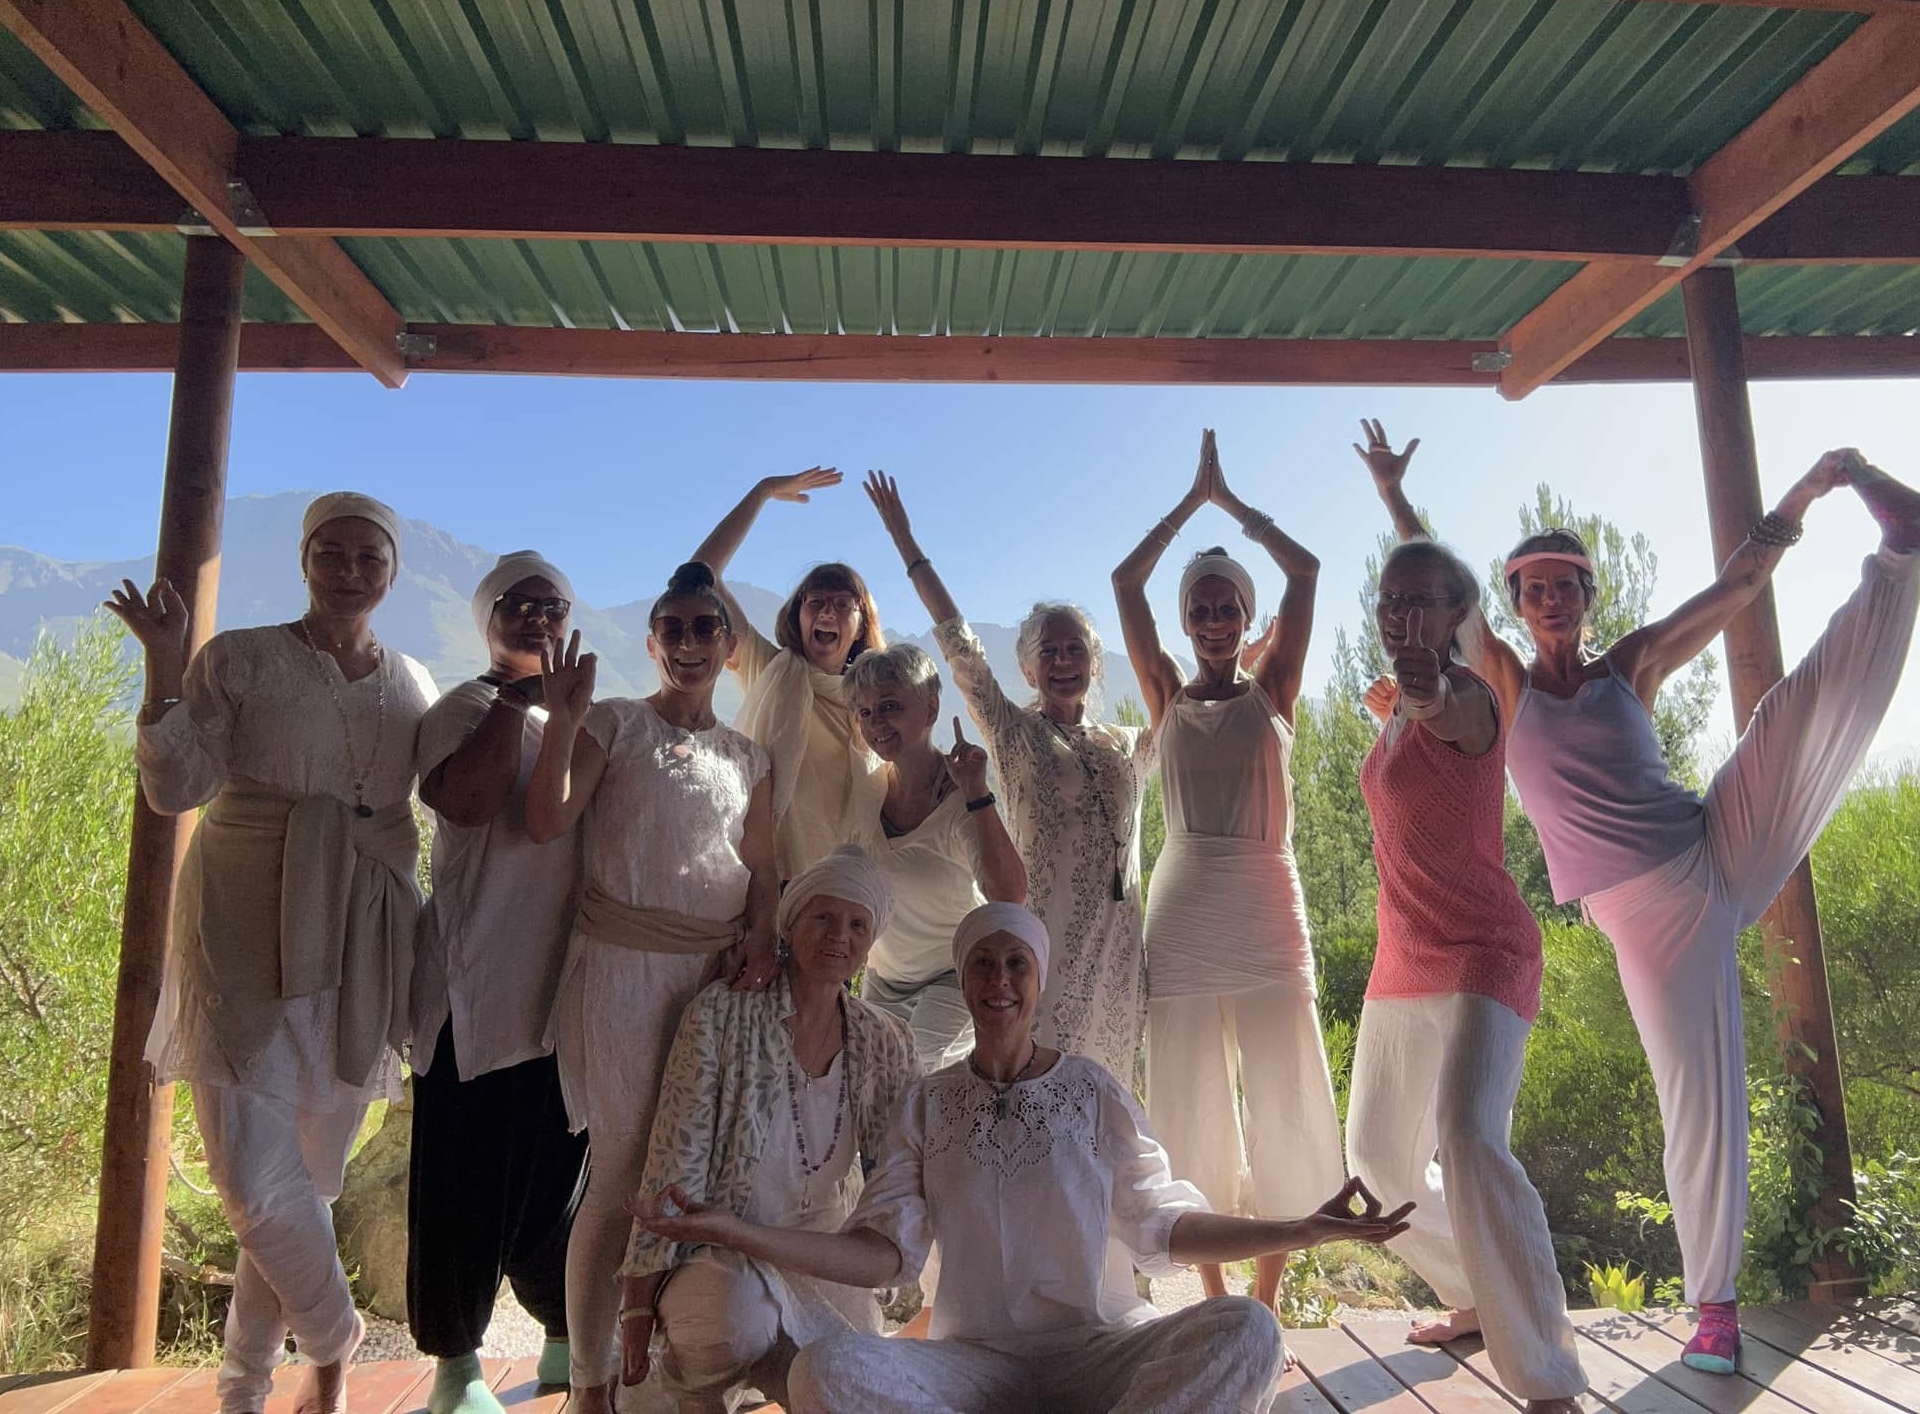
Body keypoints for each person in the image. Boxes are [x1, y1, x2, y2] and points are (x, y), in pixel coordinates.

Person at [1356, 418, 1920, 1374]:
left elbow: (1738, 587)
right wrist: (1394, 499)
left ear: (1588, 597)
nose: (1550, 598)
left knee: (1788, 714)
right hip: (1654, 916)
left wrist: (1807, 491)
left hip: (1710, 841)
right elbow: (1440, 591)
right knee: (1697, 1096)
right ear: (1513, 605)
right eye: (1533, 587)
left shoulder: (1630, 664)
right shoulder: (1504, 682)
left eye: (1566, 584)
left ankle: (1901, 551)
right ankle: (1716, 1303)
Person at [629, 902, 1417, 1414]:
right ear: (963, 977)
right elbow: (880, 1258)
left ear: (1038, 981)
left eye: (1016, 964)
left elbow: (1166, 1225)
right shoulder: (928, 1102)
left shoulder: (1090, 1090)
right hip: (973, 1368)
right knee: (822, 1372)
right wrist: (735, 1232)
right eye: (982, 962)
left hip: (1099, 1352)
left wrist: (1302, 1230)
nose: (999, 980)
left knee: (1248, 1329)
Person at [105, 492, 438, 1414]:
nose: (349, 570)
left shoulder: (413, 682)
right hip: (242, 920)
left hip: (361, 932)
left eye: (369, 556)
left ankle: (245, 1389)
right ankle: (334, 1340)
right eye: (331, 551)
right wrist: (163, 666)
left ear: (393, 570)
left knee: (311, 1178)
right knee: (253, 1181)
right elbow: (176, 787)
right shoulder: (239, 658)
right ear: (303, 559)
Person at [525, 561, 780, 1414]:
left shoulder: (750, 756)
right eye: (673, 628)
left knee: (696, 1173)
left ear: (728, 644)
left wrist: (761, 939)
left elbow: (765, 869)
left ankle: (680, 1371)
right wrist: (562, 722)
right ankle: (590, 1385)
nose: (689, 643)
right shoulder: (615, 723)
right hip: (622, 974)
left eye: (705, 628)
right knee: (622, 1174)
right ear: (651, 643)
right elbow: (547, 818)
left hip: (711, 984)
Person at [1346, 541, 1585, 1414]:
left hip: (1485, 950)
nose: (1398, 614)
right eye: (1388, 599)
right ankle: (1477, 1291)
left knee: (1472, 1138)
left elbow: (1450, 714)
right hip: (1405, 956)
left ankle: (1548, 1376)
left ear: (1457, 614)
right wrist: (1401, 706)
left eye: (1419, 600)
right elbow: (1415, 728)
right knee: (1376, 1160)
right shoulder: (1396, 710)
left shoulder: (1472, 696)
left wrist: (1424, 694)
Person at [1111, 429, 1344, 1312]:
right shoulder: (1164, 694)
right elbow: (1125, 584)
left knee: (1285, 1095)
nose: (1213, 621)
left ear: (1247, 618)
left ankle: (1270, 1297)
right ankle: (1214, 1296)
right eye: (1201, 609)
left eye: (1227, 608)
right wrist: (1187, 505)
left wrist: (1233, 505)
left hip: (1265, 903)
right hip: (1183, 915)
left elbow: (1307, 570)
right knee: (1193, 1100)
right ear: (1186, 621)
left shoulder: (1273, 689)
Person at [864, 471, 1150, 1086]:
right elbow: (958, 643)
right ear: (1027, 667)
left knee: (1109, 1089)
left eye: (1075, 649)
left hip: (1118, 947)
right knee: (1039, 1084)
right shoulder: (1014, 732)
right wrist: (906, 543)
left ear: (1094, 662)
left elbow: (1181, 714)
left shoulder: (1126, 743)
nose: (1063, 661)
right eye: (1049, 651)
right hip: (1042, 940)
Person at [615, 847, 919, 1413]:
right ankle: (703, 1391)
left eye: (858, 925)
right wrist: (636, 1306)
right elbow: (673, 1161)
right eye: (823, 917)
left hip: (820, 1255)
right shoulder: (722, 1014)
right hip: (718, 1251)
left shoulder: (887, 1041)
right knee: (735, 1322)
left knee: (852, 1383)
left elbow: (902, 1174)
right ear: (790, 923)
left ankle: (778, 1375)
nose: (839, 936)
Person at [407, 552, 590, 1414]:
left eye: (552, 605)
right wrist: (520, 702)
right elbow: (470, 804)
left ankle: (561, 1335)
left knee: (558, 1182)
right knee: (462, 1187)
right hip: (472, 991)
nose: (537, 617)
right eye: (518, 604)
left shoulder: (579, 714)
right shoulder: (464, 707)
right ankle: (456, 1367)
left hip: (557, 987)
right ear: (487, 618)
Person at [691, 467, 888, 880]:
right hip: (762, 878)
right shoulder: (770, 668)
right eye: (815, 602)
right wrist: (761, 491)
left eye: (843, 604)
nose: (827, 612)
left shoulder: (875, 705)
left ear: (861, 626)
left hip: (841, 887)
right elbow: (700, 575)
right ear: (797, 616)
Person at [844, 641, 1029, 1072]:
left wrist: (976, 791)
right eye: (865, 712)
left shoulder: (962, 796)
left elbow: (1010, 895)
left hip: (954, 975)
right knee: (869, 1081)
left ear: (930, 709)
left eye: (890, 706)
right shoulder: (868, 788)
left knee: (913, 1069)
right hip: (884, 976)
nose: (876, 723)